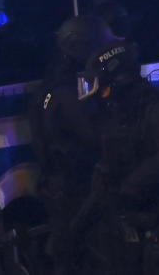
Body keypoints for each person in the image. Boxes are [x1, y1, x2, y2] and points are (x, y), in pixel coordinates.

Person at [74, 38, 159, 275]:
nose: (99, 93)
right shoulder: (120, 116)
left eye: (101, 85)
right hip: (130, 225)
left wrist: (130, 186)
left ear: (117, 79)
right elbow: (108, 171)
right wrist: (77, 229)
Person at [28, 14, 114, 275]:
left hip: (62, 184)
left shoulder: (52, 86)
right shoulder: (66, 93)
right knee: (88, 256)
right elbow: (93, 136)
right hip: (75, 187)